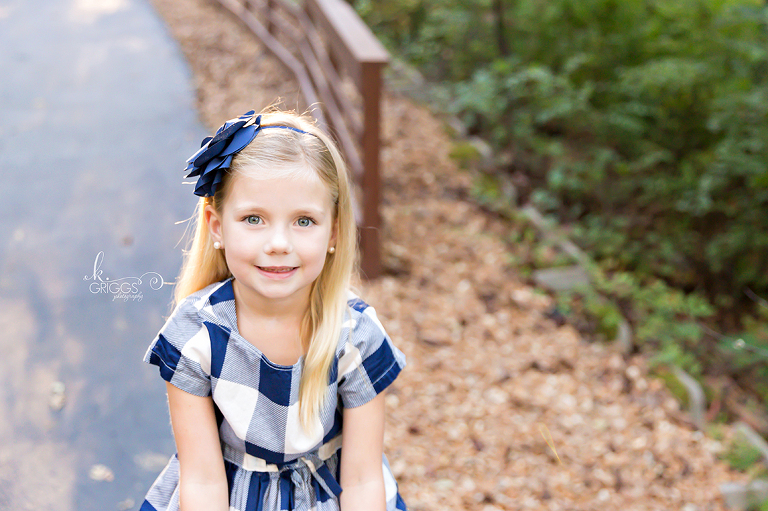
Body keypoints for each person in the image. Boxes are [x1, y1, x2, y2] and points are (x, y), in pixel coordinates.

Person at [139, 107, 408, 511]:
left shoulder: (355, 334)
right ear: (217, 227)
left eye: (303, 221)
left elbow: (363, 477)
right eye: (253, 218)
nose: (279, 243)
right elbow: (202, 479)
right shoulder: (196, 336)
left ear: (333, 232)